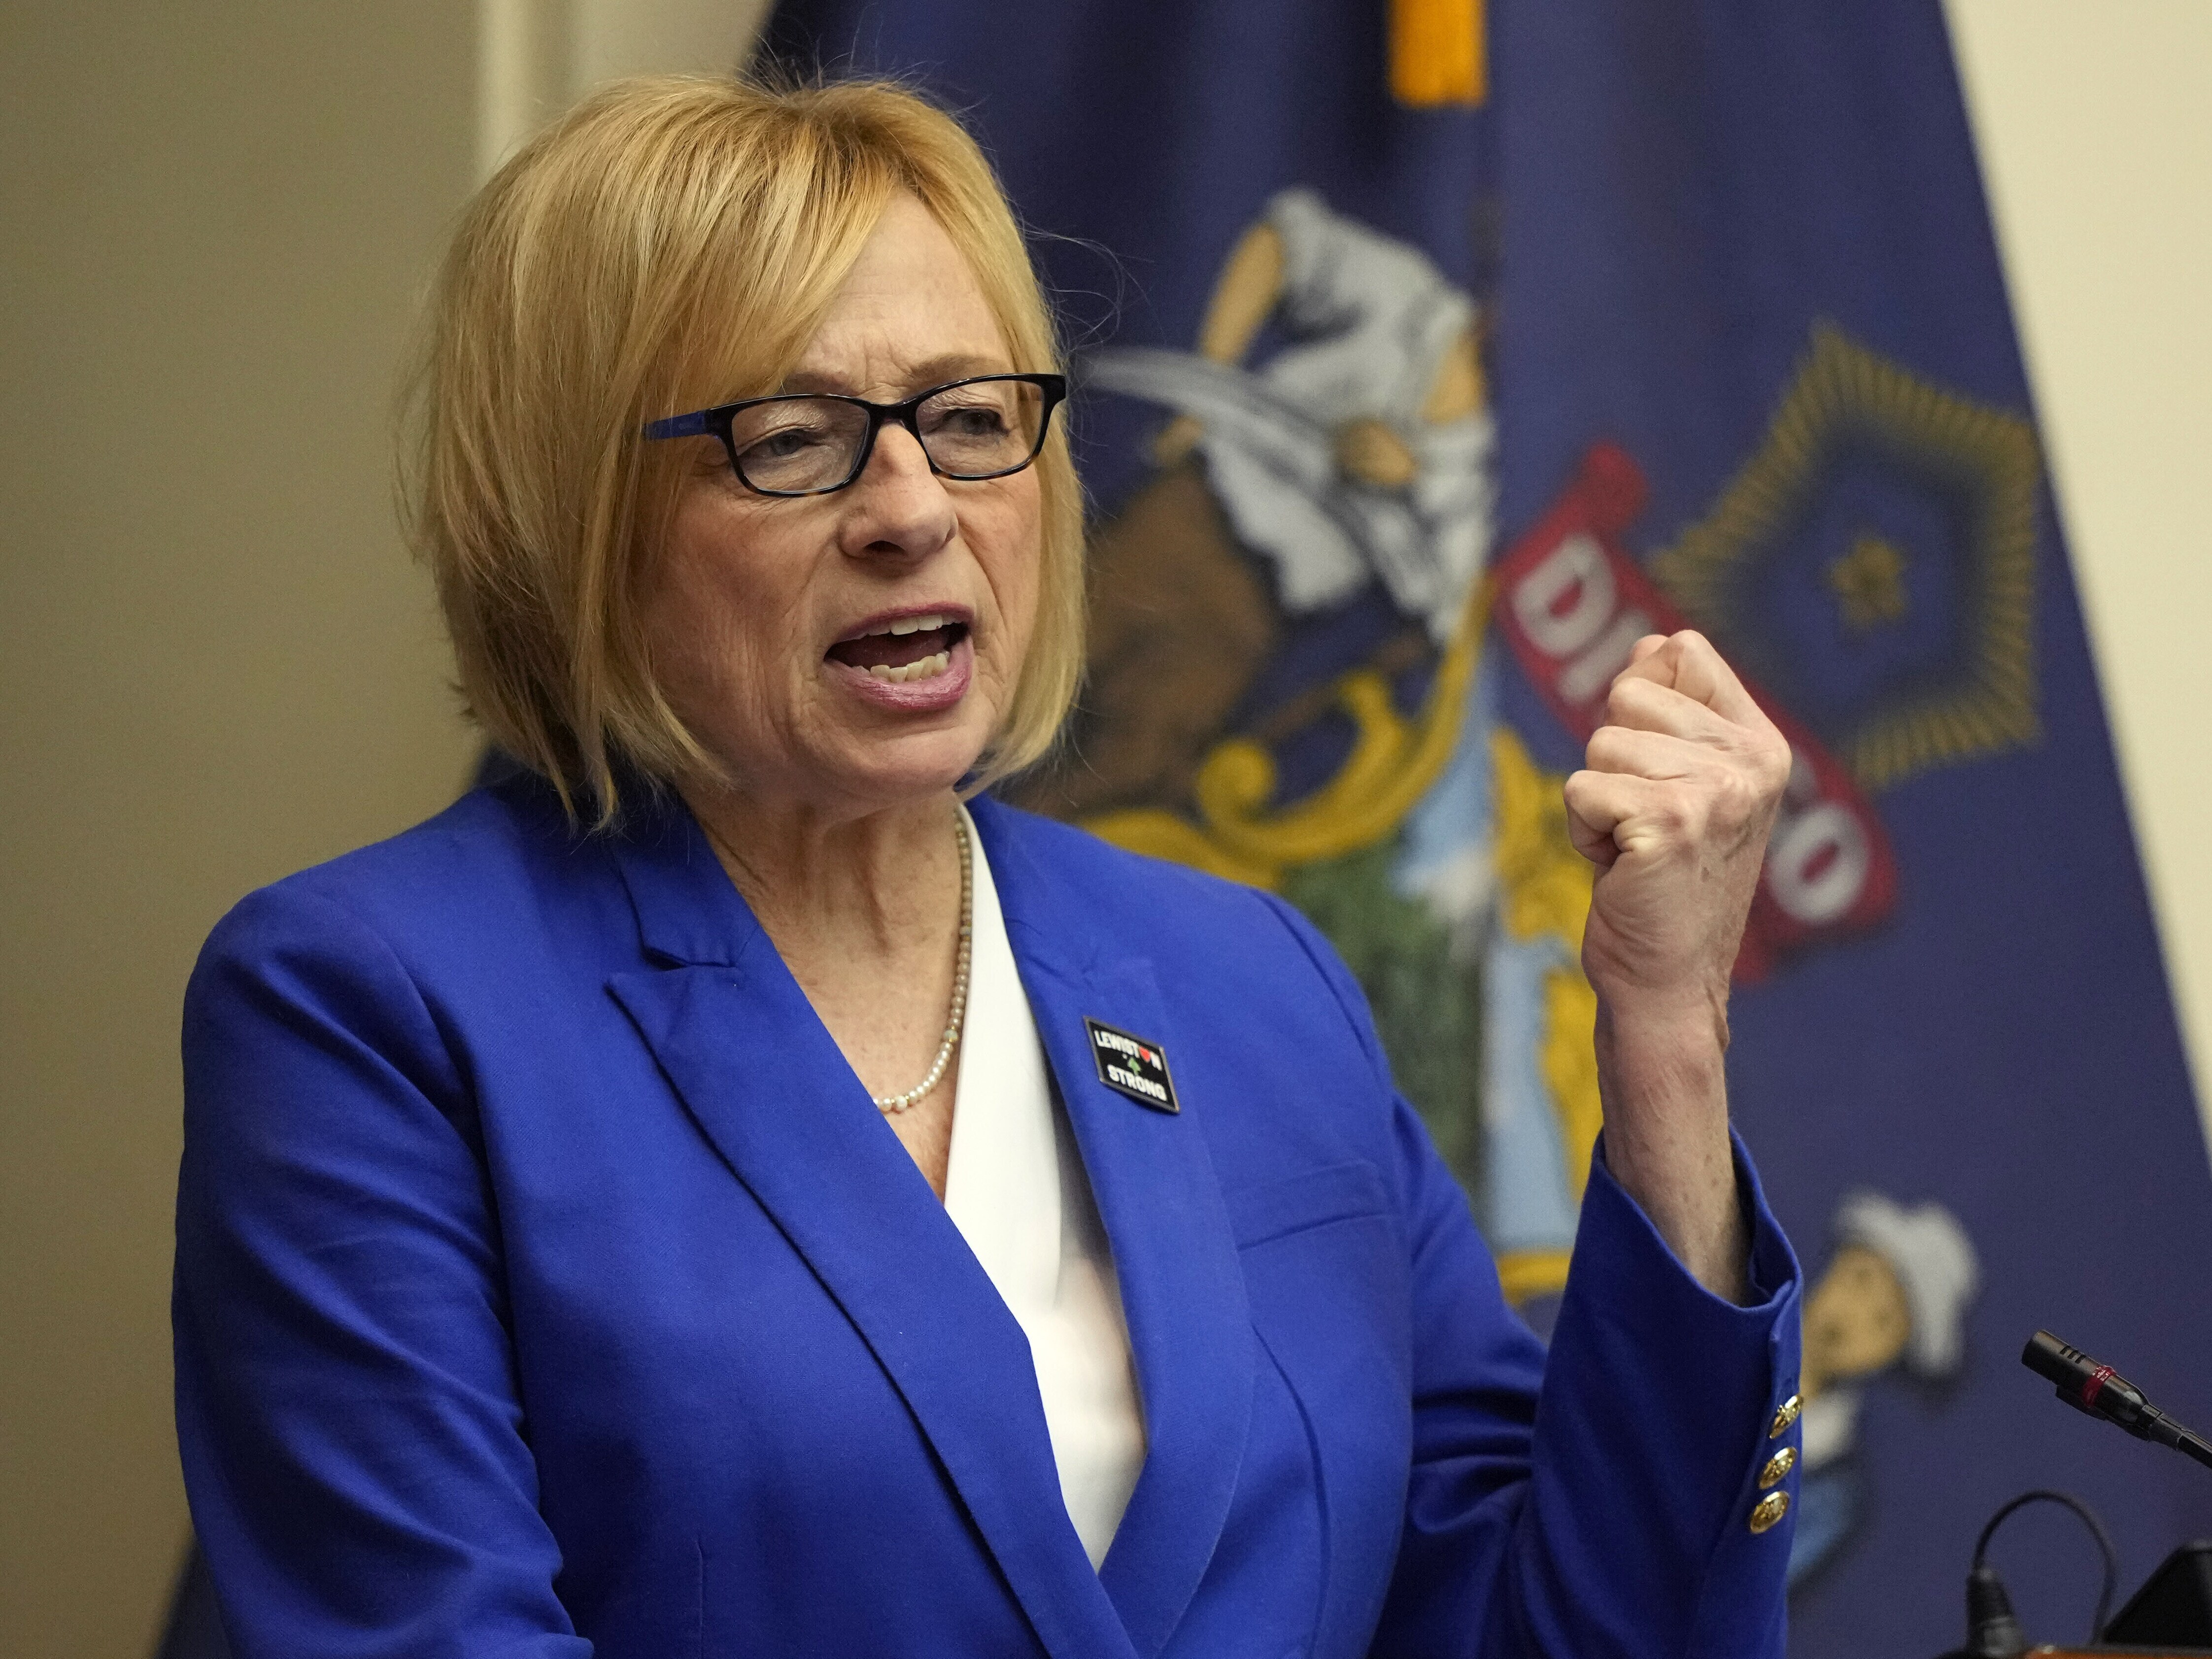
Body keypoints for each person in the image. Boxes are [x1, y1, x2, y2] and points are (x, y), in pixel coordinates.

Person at [173, 75, 1806, 1659]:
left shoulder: (1249, 977)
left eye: (966, 420)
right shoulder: (370, 1009)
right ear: (573, 518)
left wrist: (1664, 1032)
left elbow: (1573, 1630)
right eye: (794, 439)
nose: (912, 507)